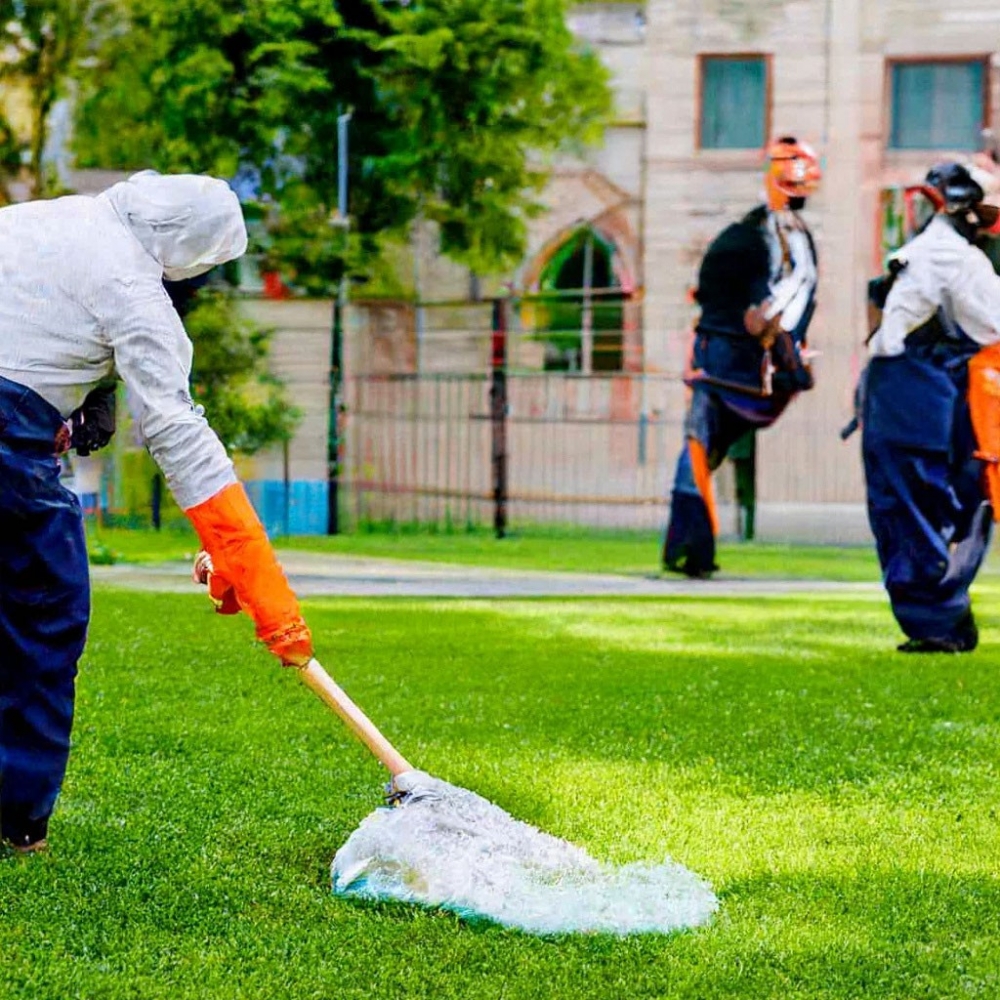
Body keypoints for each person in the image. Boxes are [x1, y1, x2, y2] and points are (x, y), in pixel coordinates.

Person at [0, 171, 313, 854]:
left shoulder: (37, 219)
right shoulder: (134, 289)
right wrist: (249, 562)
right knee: (43, 616)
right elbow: (176, 431)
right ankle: (17, 817)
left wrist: (75, 394)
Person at [662, 136, 822, 577]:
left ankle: (689, 549)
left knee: (701, 448)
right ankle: (690, 549)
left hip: (729, 361)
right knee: (701, 448)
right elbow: (760, 312)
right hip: (731, 362)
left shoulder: (764, 237)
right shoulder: (763, 240)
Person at [860, 161, 1000, 652]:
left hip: (914, 390)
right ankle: (945, 620)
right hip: (912, 387)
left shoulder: (946, 257)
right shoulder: (948, 256)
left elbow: (992, 326)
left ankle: (941, 621)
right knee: (933, 503)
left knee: (914, 505)